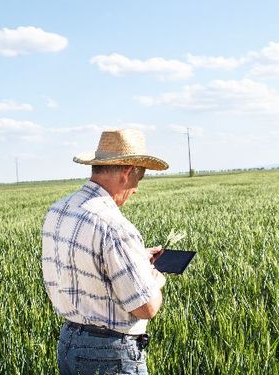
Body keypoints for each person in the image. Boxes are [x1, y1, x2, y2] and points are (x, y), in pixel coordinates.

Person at [42, 128, 169, 374]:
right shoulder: (114, 225)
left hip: (68, 342)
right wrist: (153, 277)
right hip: (110, 355)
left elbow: (85, 261)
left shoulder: (58, 210)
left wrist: (135, 258)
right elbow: (146, 308)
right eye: (139, 178)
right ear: (128, 172)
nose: (136, 189)